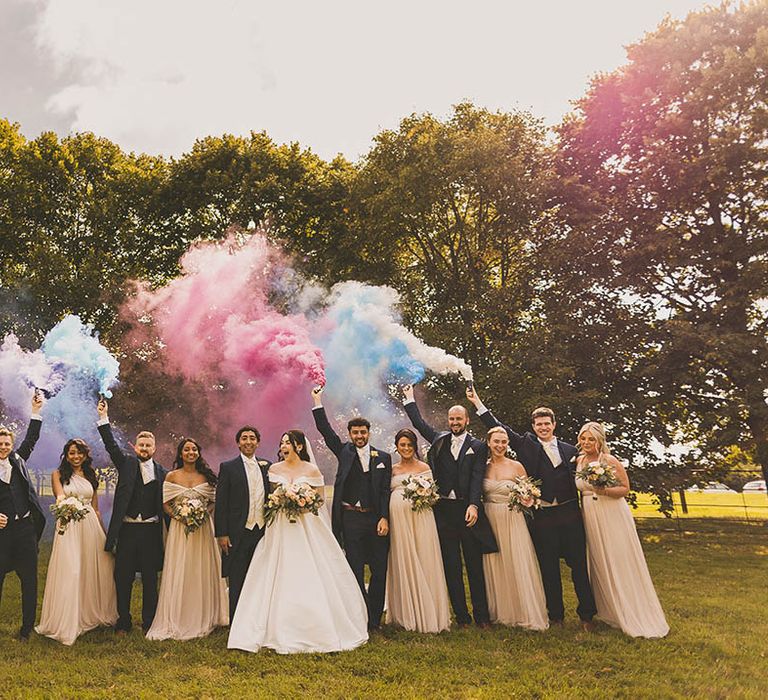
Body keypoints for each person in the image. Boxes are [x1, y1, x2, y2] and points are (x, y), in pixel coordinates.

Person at [466, 386, 597, 630]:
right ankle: (556, 615)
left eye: (547, 424)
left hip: (570, 514)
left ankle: (587, 615)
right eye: (539, 425)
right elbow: (499, 426)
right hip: (544, 515)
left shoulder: (571, 450)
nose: (543, 428)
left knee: (579, 565)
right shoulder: (527, 444)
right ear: (534, 426)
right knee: (548, 568)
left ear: (554, 424)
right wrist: (478, 404)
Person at [228, 430, 368, 653]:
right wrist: (283, 500)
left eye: (288, 442)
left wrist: (302, 501)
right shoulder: (273, 469)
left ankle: (317, 624)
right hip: (280, 527)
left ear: (299, 447)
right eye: (282, 442)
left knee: (309, 569)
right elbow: (271, 496)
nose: (283, 446)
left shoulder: (311, 469)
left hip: (306, 526)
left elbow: (320, 499)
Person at [402, 385, 497, 628]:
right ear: (449, 420)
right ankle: (462, 617)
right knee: (451, 565)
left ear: (466, 420)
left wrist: (474, 506)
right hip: (444, 511)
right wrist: (410, 399)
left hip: (467, 510)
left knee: (475, 566)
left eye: (459, 419)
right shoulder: (440, 440)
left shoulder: (478, 446)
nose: (455, 422)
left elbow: (477, 477)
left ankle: (482, 616)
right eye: (451, 419)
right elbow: (420, 425)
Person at [576, 422, 669, 638]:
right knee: (600, 560)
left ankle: (632, 610)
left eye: (591, 439)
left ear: (600, 441)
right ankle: (611, 611)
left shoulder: (609, 460)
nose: (587, 443)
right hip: (590, 514)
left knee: (618, 559)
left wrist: (604, 489)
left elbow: (625, 489)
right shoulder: (579, 460)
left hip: (611, 513)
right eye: (583, 438)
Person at [311, 386, 391, 630]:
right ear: (350, 434)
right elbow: (325, 431)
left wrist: (385, 518)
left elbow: (385, 491)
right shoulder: (344, 451)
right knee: (354, 568)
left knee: (378, 570)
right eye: (355, 432)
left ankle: (375, 619)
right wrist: (317, 401)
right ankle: (359, 615)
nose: (359, 436)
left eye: (362, 432)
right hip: (350, 519)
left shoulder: (383, 457)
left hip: (375, 519)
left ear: (369, 433)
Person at [96, 398, 169, 634]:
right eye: (141, 444)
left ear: (154, 448)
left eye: (149, 445)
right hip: (127, 530)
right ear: (135, 446)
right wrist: (103, 418)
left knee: (150, 579)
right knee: (123, 578)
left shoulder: (163, 473)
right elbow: (110, 445)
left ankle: (149, 622)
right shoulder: (126, 463)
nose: (145, 448)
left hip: (150, 531)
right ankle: (123, 621)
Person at [36, 439, 117, 644]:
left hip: (90, 525)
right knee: (72, 569)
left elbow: (96, 507)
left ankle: (91, 613)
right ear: (66, 454)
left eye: (79, 453)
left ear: (85, 455)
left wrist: (103, 530)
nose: (76, 457)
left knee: (99, 567)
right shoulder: (58, 474)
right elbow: (60, 496)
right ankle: (67, 619)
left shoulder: (91, 475)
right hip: (70, 522)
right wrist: (68, 506)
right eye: (72, 453)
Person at [147, 438, 228, 640]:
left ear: (198, 453)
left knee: (202, 567)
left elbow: (212, 502)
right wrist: (182, 517)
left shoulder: (206, 476)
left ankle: (207, 613)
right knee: (181, 566)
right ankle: (179, 614)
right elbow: (166, 504)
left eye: (194, 449)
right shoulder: (172, 476)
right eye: (186, 449)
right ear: (180, 454)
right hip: (179, 528)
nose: (190, 452)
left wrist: (202, 515)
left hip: (203, 528)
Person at [482, 427, 548, 630]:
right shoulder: (482, 466)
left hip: (512, 518)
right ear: (489, 443)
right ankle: (501, 611)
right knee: (495, 562)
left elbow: (531, 493)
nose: (500, 446)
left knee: (515, 560)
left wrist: (526, 498)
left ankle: (523, 611)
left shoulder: (517, 466)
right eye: (496, 442)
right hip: (490, 517)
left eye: (504, 442)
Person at [385, 428, 450, 633]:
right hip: (399, 520)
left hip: (421, 518)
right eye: (402, 445)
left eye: (409, 445)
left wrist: (423, 496)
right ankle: (405, 613)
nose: (406, 448)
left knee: (424, 557)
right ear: (397, 447)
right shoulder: (392, 470)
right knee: (403, 558)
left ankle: (429, 610)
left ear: (415, 447)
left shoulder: (424, 467)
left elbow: (432, 495)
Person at [0, 393, 46, 641]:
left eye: (7, 443)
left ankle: (27, 628)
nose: (4, 447)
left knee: (29, 581)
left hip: (25, 530)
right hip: (1, 534)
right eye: (0, 443)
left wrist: (35, 410)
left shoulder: (18, 459)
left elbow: (32, 438)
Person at [214, 426, 271, 621]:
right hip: (238, 532)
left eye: (252, 438)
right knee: (237, 577)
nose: (248, 441)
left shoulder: (267, 466)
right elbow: (221, 503)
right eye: (244, 438)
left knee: (260, 576)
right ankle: (237, 620)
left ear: (258, 442)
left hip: (261, 531)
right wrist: (221, 533)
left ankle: (258, 618)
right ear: (238, 443)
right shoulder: (228, 467)